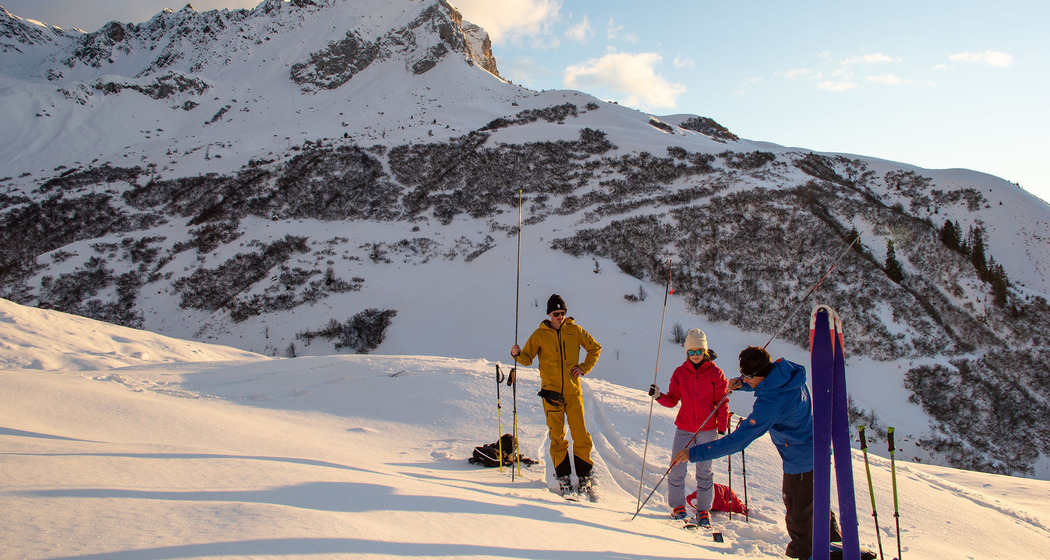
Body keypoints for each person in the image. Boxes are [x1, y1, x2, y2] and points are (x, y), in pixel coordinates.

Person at [672, 345, 840, 559]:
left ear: (758, 374)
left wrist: (693, 453)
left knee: (799, 516)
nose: (746, 380)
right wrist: (742, 384)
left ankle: (803, 555)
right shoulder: (786, 371)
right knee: (816, 505)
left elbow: (739, 440)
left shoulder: (770, 404)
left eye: (748, 377)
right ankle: (836, 547)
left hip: (800, 460)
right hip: (819, 449)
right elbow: (768, 381)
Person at [511, 294, 602, 496]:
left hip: (573, 392)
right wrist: (516, 354)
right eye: (555, 313)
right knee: (557, 436)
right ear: (549, 314)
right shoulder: (539, 335)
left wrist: (583, 368)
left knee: (580, 434)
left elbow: (595, 348)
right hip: (551, 393)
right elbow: (526, 358)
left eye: (562, 313)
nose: (559, 317)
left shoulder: (575, 331)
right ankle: (563, 477)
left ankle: (585, 474)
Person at [648, 328, 728, 528]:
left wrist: (722, 428)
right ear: (686, 352)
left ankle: (703, 510)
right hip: (684, 428)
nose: (695, 355)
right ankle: (678, 506)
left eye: (699, 351)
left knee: (704, 471)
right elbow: (673, 400)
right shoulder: (680, 373)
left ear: (705, 351)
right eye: (691, 352)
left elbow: (722, 402)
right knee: (677, 467)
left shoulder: (715, 373)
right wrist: (658, 396)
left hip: (707, 429)